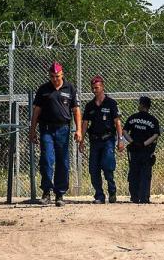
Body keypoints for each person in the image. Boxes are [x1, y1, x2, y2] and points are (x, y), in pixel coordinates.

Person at [27, 62, 82, 207]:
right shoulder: (43, 89)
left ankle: (60, 194)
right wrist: (32, 130)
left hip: (63, 130)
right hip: (46, 129)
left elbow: (76, 110)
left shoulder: (70, 88)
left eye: (57, 76)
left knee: (63, 162)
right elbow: (36, 112)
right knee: (47, 159)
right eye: (52, 76)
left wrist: (79, 130)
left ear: (62, 74)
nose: (55, 79)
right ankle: (46, 192)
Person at [82, 76, 123, 204]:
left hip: (108, 140)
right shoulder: (90, 106)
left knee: (107, 166)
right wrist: (81, 140)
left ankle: (112, 191)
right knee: (93, 169)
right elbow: (85, 124)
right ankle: (99, 195)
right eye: (93, 88)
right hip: (94, 141)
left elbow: (117, 123)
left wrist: (120, 140)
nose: (95, 90)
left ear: (103, 87)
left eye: (97, 88)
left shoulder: (111, 103)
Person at [124, 96, 160, 203]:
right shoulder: (153, 120)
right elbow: (156, 135)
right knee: (145, 174)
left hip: (134, 150)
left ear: (142, 105)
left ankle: (134, 197)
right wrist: (144, 144)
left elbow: (124, 131)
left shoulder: (133, 117)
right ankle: (144, 197)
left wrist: (132, 142)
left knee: (134, 173)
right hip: (146, 150)